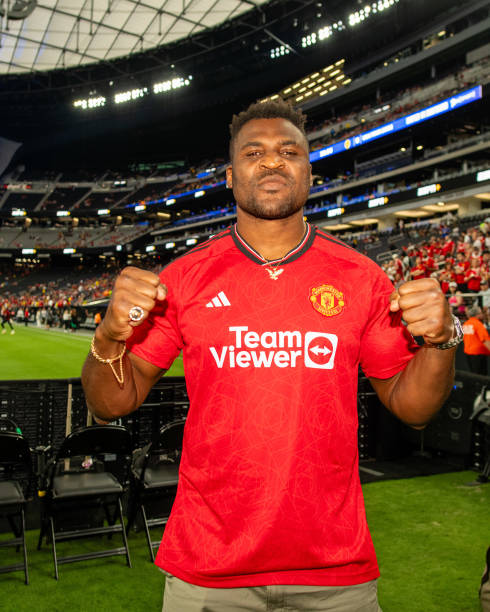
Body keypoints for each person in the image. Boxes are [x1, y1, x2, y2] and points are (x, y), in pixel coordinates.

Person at [82, 100, 461, 612]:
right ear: (230, 173)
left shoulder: (361, 278)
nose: (272, 161)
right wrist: (108, 336)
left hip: (334, 569)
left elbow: (413, 407)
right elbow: (112, 403)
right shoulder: (183, 280)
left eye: (289, 151)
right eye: (253, 152)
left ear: (308, 169)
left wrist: (440, 341)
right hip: (209, 567)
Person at [462, 305, 490, 375]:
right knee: (481, 376)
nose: (482, 315)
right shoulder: (478, 324)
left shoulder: (465, 324)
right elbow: (485, 340)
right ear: (478, 315)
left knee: (474, 375)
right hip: (478, 354)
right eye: (481, 313)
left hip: (468, 353)